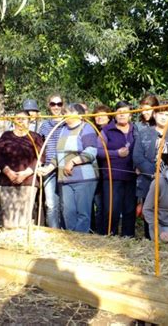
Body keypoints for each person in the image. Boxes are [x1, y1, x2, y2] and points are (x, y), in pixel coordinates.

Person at [38, 103, 99, 233]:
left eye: (67, 111)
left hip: (84, 179)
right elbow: (58, 154)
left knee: (83, 213)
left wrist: (73, 162)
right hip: (65, 179)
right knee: (68, 212)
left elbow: (91, 151)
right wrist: (48, 168)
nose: (64, 113)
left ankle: (80, 241)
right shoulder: (62, 129)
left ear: (78, 115)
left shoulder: (86, 128)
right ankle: (71, 238)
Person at [133, 101, 168, 238]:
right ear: (154, 114)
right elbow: (137, 156)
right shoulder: (144, 133)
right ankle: (150, 238)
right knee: (149, 212)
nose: (163, 117)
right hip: (148, 180)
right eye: (160, 113)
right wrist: (153, 172)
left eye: (167, 114)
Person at [0, 110, 44, 228]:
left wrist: (26, 173)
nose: (20, 121)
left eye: (24, 119)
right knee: (8, 218)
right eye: (18, 118)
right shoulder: (6, 135)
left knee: (24, 218)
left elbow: (41, 156)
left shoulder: (35, 137)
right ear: (14, 120)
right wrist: (8, 171)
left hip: (28, 181)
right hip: (8, 180)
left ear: (29, 121)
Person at [97, 101, 137, 236]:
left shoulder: (135, 130)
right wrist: (116, 154)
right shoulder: (106, 131)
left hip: (132, 176)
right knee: (112, 209)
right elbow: (98, 151)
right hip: (112, 177)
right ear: (115, 115)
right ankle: (109, 235)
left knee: (130, 209)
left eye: (125, 112)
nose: (122, 115)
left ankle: (128, 237)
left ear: (130, 115)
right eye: (119, 112)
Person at [39, 94, 65, 228]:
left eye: (59, 104)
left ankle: (66, 232)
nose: (56, 107)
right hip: (48, 166)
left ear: (63, 105)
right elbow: (40, 145)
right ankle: (54, 231)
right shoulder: (44, 125)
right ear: (49, 105)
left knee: (65, 203)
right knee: (50, 203)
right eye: (53, 104)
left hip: (64, 167)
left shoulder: (67, 123)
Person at [91, 103, 111, 233]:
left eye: (102, 116)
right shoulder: (92, 130)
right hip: (95, 172)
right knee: (98, 204)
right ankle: (98, 231)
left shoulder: (110, 131)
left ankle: (105, 230)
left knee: (106, 204)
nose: (99, 118)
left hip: (107, 172)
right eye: (97, 116)